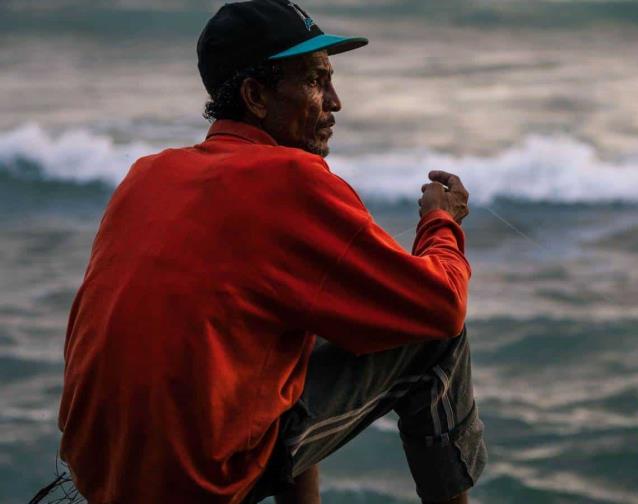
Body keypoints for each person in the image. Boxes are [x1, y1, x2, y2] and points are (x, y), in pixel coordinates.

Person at [53, 1, 487, 502]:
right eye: (315, 81)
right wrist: (441, 223)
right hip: (196, 478)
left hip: (101, 470)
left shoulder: (146, 173)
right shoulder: (290, 179)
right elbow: (441, 307)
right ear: (256, 96)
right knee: (437, 342)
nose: (335, 101)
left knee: (293, 322)